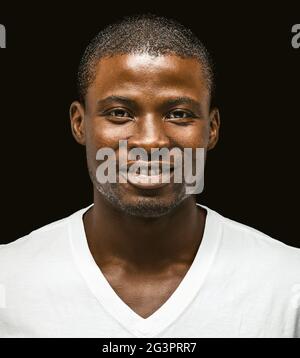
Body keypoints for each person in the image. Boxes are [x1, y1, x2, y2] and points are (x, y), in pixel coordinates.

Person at [0, 14, 299, 338]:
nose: (150, 140)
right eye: (120, 113)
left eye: (179, 114)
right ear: (79, 123)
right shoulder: (9, 281)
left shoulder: (287, 282)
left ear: (211, 129)